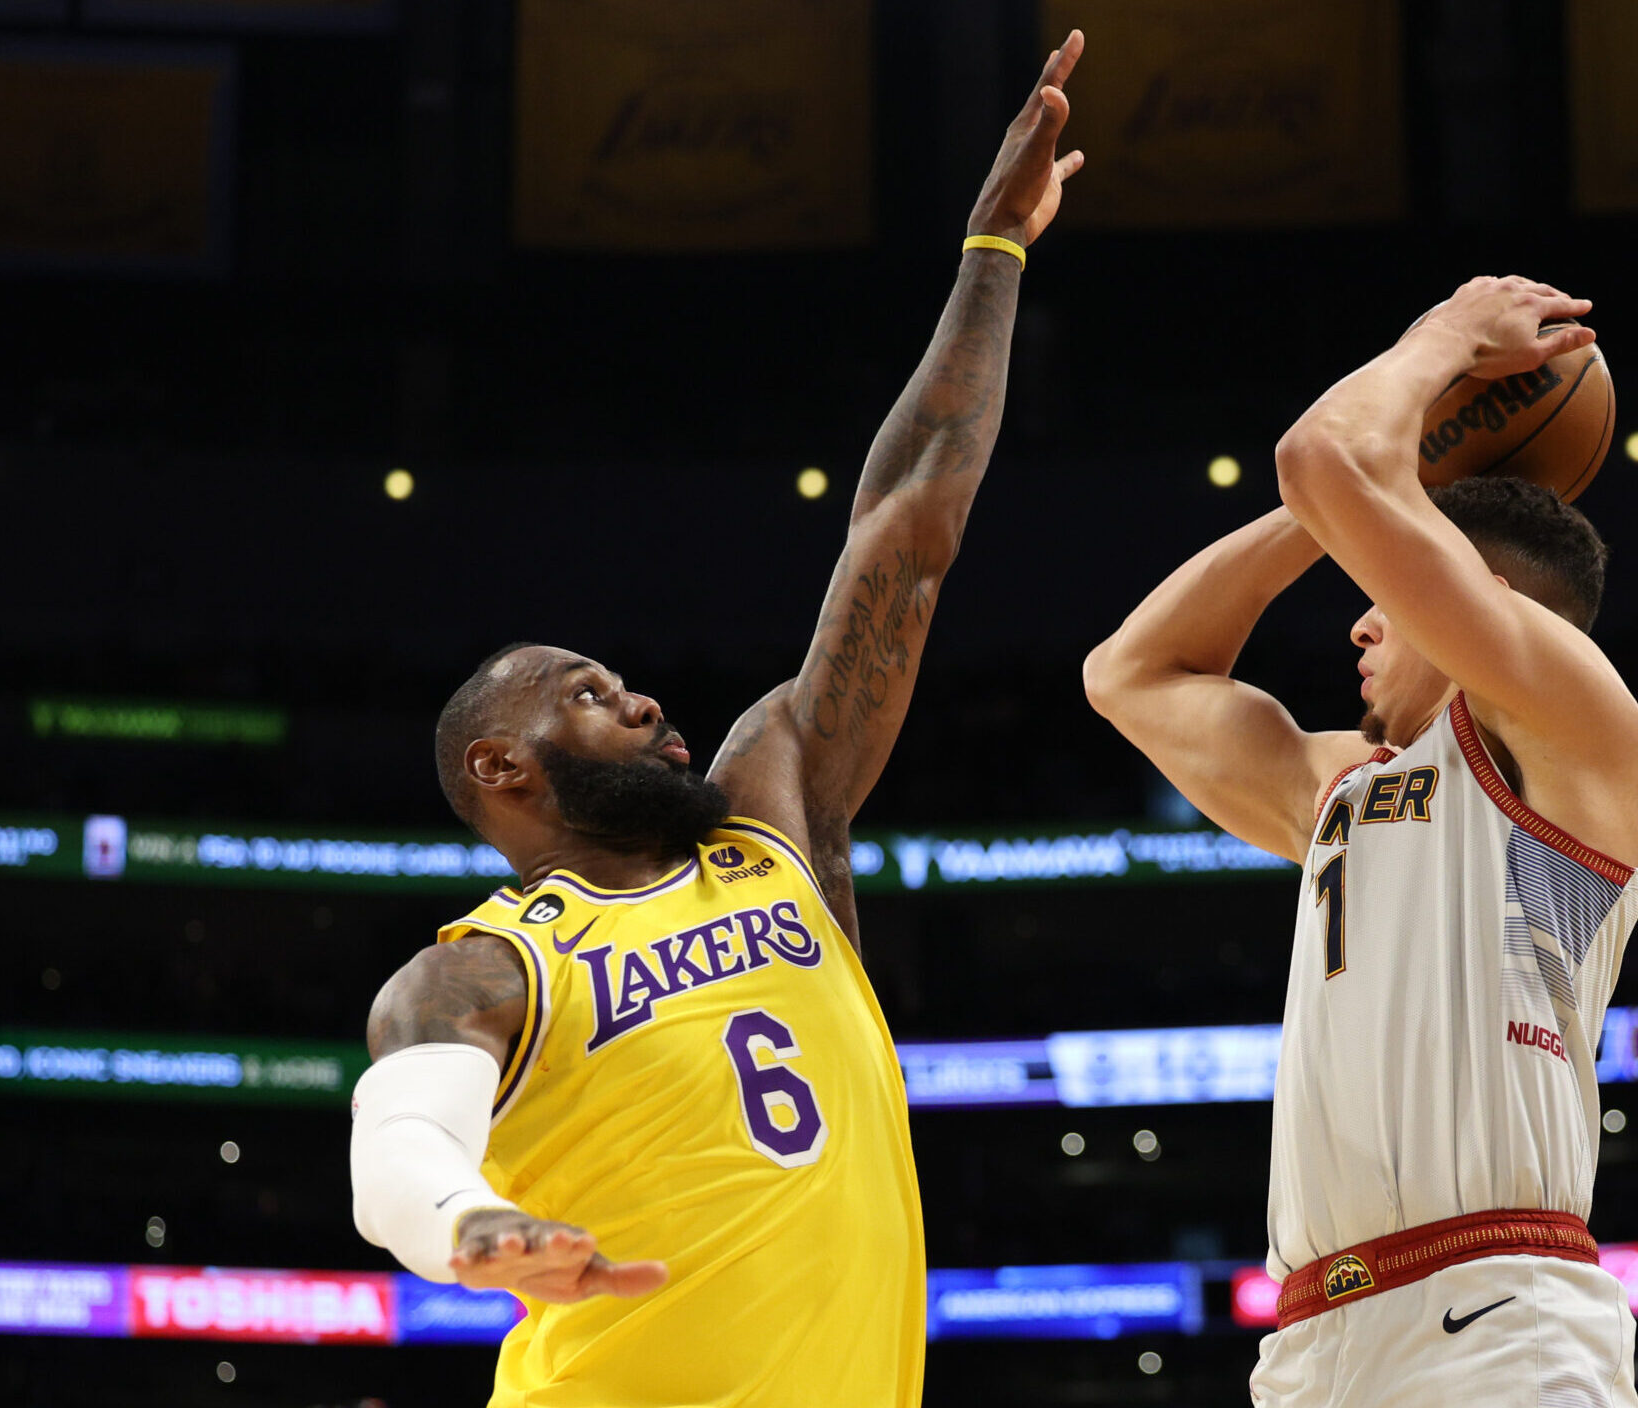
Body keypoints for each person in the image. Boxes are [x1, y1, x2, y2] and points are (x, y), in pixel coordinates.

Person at [345, 34, 1087, 1407]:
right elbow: (396, 1156)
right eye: (585, 692)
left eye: (621, 681)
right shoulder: (485, 973)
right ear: (499, 768)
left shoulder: (775, 814)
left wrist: (993, 258)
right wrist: (476, 1230)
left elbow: (904, 532)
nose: (639, 697)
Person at [1083, 276, 1638, 1406]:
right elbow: (1130, 674)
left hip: (1499, 1320)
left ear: (1476, 597)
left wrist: (1442, 342)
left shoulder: (1574, 729)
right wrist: (1345, 512)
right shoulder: (1341, 787)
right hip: (1309, 1345)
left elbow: (1321, 455)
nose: (1354, 617)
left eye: (1381, 592)